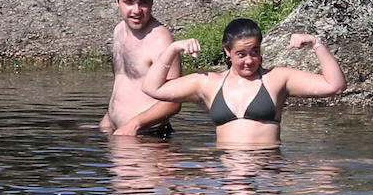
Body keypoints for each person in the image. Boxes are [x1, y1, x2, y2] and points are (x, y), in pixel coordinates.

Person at [140, 18, 345, 148]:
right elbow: (152, 88)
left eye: (254, 52)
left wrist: (315, 43)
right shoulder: (208, 83)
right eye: (241, 54)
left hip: (267, 173)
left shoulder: (277, 78)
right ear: (227, 51)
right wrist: (172, 49)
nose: (249, 60)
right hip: (225, 174)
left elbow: (334, 85)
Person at [100, 0, 182, 137]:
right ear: (118, 1)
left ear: (152, 1)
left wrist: (133, 125)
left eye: (143, 2)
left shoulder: (160, 40)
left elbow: (174, 102)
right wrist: (107, 122)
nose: (136, 10)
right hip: (119, 134)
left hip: (148, 137)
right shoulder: (119, 30)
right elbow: (124, 84)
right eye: (129, 2)